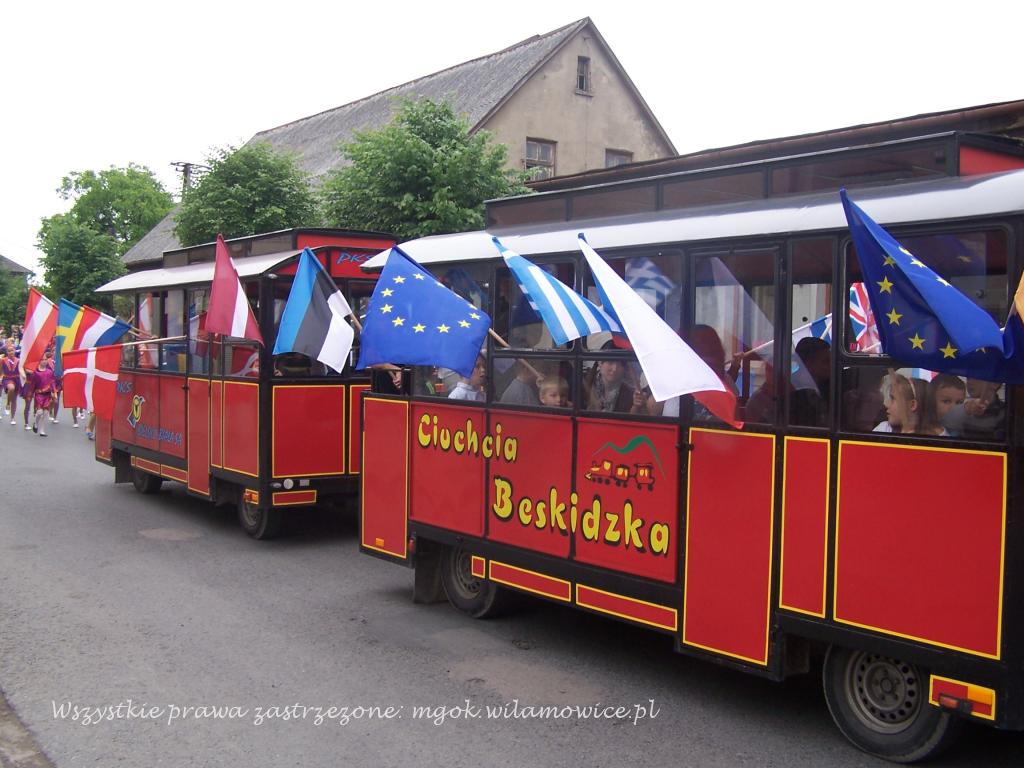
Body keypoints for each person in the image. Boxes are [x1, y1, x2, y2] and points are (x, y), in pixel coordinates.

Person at [873, 373, 940, 435]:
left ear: (912, 405)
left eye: (893, 398)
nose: (887, 405)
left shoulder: (938, 438)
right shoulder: (884, 429)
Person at [790, 337, 831, 427]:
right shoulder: (790, 391)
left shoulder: (828, 385)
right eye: (826, 361)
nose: (832, 365)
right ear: (808, 364)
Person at [28, 355, 57, 437]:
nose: (44, 361)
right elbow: (32, 385)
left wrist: (54, 392)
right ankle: (36, 423)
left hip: (47, 394)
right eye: (42, 360)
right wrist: (30, 394)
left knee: (46, 412)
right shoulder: (35, 373)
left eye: (45, 359)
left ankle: (42, 430)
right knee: (39, 412)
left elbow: (52, 382)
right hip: (39, 394)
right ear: (39, 361)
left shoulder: (50, 372)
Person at [2, 342, 19, 425]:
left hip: (16, 379)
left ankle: (12, 418)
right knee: (11, 388)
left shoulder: (18, 360)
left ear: (15, 351)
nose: (11, 352)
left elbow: (21, 370)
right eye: (9, 351)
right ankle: (8, 404)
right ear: (6, 352)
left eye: (12, 350)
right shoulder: (3, 360)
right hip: (7, 378)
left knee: (14, 400)